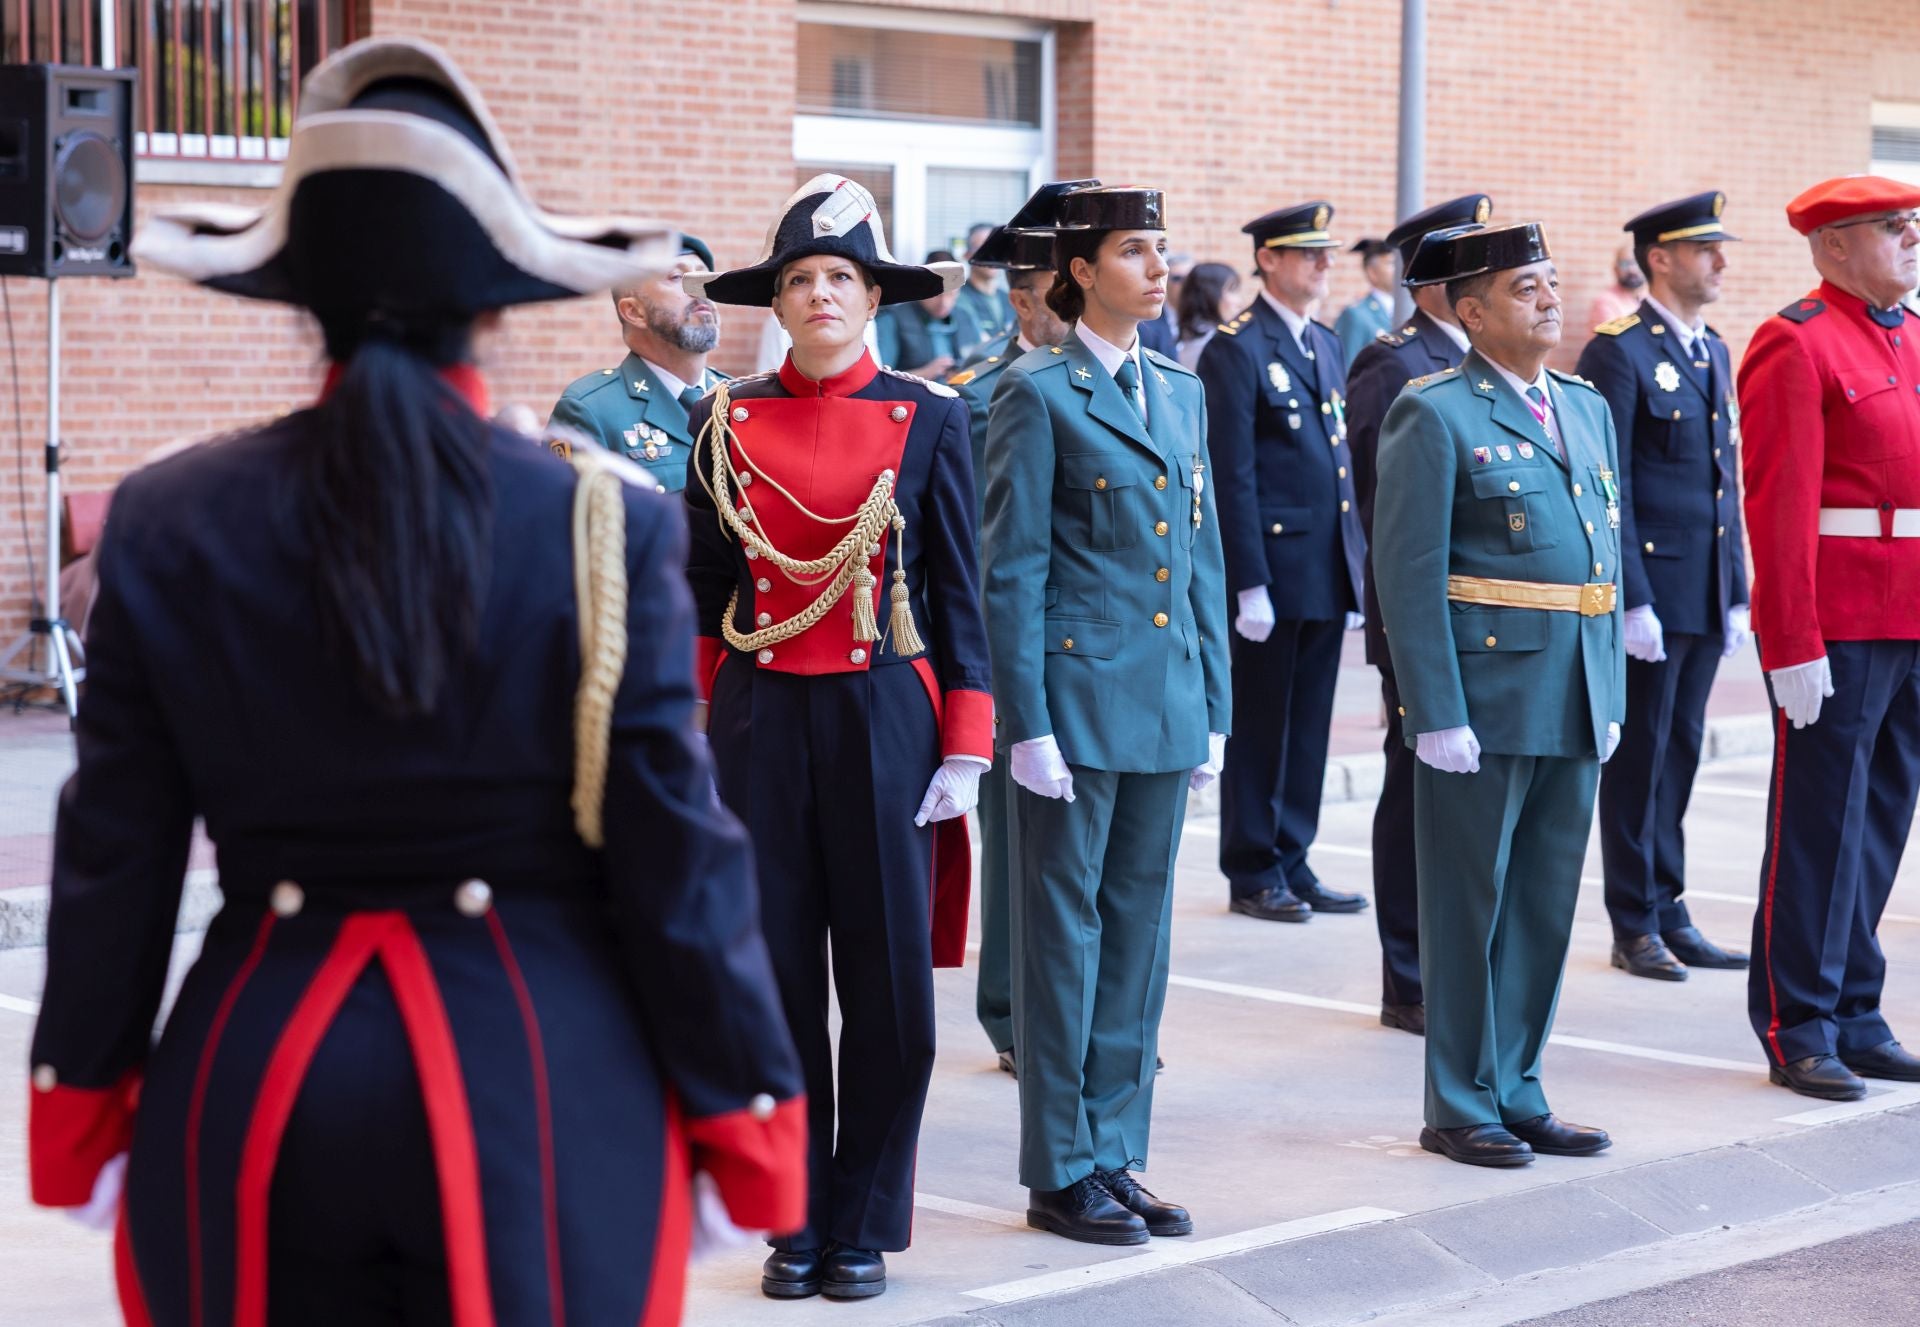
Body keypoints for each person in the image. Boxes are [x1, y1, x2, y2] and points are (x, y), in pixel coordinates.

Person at [26, 36, 806, 1325]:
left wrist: (83, 1104)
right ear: (493, 302)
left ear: (299, 297)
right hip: (543, 1089)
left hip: (253, 1081)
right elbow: (676, 848)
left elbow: (113, 853)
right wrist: (745, 1112)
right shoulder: (602, 523)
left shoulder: (167, 518)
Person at [681, 175, 993, 1299]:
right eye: (801, 279)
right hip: (764, 713)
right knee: (771, 982)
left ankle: (862, 1217)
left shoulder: (933, 414)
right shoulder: (723, 418)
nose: (820, 295)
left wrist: (967, 738)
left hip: (884, 718)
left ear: (875, 299)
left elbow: (962, 591)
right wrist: (709, 724)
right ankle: (794, 1216)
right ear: (779, 299)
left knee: (890, 989)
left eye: (840, 279)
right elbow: (703, 584)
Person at [983, 183, 1228, 1244]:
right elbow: (1013, 575)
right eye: (1136, 250)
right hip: (1075, 707)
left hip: (1164, 703)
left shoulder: (1180, 391)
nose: (1159, 267)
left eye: (1163, 249)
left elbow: (1203, 557)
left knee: (1139, 935)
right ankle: (1060, 1166)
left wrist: (1213, 702)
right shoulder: (1034, 395)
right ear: (1080, 273)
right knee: (1062, 939)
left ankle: (1118, 1148)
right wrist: (1025, 724)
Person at [1373, 222, 1623, 1168]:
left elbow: (1601, 547)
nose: (1551, 299)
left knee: (1543, 905)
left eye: (1554, 282)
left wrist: (1608, 682)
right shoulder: (1434, 412)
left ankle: (1519, 1086)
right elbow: (1407, 570)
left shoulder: (1586, 406)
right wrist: (1432, 710)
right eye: (1526, 288)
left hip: (1570, 686)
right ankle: (1458, 1099)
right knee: (1468, 903)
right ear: (1469, 311)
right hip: (1482, 695)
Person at [1738, 175, 1920, 1102]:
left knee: (1880, 821)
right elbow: (1778, 506)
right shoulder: (1796, 342)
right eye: (1893, 228)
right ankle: (1795, 1020)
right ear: (1836, 247)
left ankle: (1855, 1006)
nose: (1911, 238)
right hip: (1839, 628)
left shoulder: (1915, 336)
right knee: (1816, 827)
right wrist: (1789, 641)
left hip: (1911, 621)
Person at [1581, 192, 1751, 983]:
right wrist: (1632, 597)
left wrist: (1739, 585)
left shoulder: (1712, 348)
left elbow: (1724, 480)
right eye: (1704, 248)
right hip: (1653, 590)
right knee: (1641, 755)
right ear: (1660, 259)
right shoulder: (1618, 349)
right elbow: (1605, 482)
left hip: (1705, 589)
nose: (1720, 260)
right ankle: (1633, 919)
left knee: (1681, 750)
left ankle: (1669, 904)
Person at [1346, 192, 1493, 1036]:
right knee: (1415, 794)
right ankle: (1408, 976)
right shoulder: (1392, 362)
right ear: (1437, 280)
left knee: (1462, 799)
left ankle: (1451, 964)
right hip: (1421, 616)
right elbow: (1385, 507)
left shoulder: (1479, 361)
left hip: (1488, 623)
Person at [1197, 201, 1367, 924]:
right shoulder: (1235, 348)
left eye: (1327, 254)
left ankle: (1293, 855)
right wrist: (1249, 581)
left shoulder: (1323, 344)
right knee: (1263, 724)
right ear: (1267, 259)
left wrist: (1353, 566)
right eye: (1309, 254)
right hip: (1271, 570)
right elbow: (1231, 472)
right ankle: (1252, 865)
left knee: (1309, 724)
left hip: (1324, 567)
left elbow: (1339, 466)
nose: (1324, 265)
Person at [947, 199, 1075, 1078]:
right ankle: (1015, 1016)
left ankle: (1076, 1021)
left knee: (1082, 866)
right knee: (1021, 852)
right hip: (1021, 648)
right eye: (1057, 295)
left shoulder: (1122, 383)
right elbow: (990, 549)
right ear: (1024, 305)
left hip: (1101, 656)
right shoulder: (986, 397)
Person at [548, 234, 727, 495]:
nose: (699, 289)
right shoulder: (590, 410)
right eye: (677, 277)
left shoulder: (738, 399)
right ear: (634, 312)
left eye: (703, 276)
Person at [887, 248, 964, 379]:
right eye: (937, 295)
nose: (944, 303)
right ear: (921, 287)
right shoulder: (893, 318)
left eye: (951, 294)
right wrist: (925, 373)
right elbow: (881, 378)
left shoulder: (964, 316)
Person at [954, 221, 1015, 357]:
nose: (992, 254)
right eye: (982, 248)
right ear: (967, 255)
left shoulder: (1010, 299)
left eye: (997, 248)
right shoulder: (957, 300)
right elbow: (970, 351)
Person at [1333, 238, 1398, 364]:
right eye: (1391, 264)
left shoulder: (1405, 310)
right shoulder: (1356, 315)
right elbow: (1347, 366)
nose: (1399, 270)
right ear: (1372, 272)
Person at [1173, 260, 1244, 369]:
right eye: (1232, 290)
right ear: (1210, 294)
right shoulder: (1218, 343)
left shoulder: (1188, 339)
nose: (1239, 301)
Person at [1139, 251, 1193, 357]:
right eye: (1178, 279)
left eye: (1190, 279)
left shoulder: (1209, 322)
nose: (1186, 284)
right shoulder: (1145, 325)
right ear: (1166, 281)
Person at [1587, 240, 1646, 330]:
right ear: (1615, 269)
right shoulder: (1605, 302)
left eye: (1636, 262)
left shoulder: (1649, 299)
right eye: (1625, 264)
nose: (1632, 269)